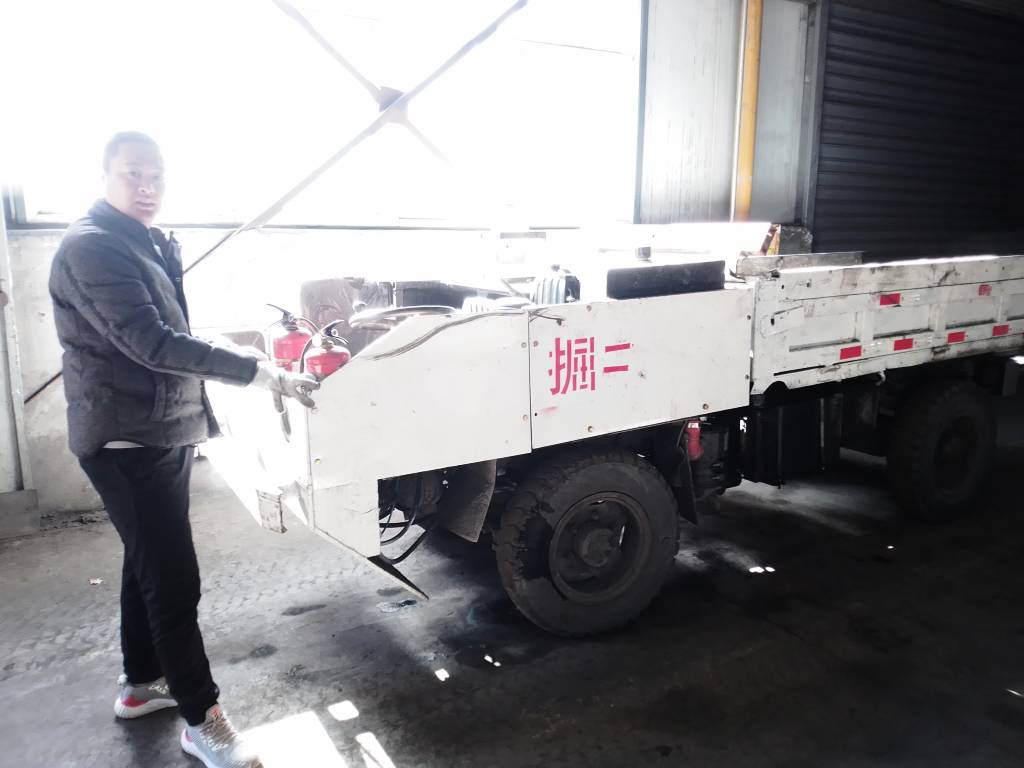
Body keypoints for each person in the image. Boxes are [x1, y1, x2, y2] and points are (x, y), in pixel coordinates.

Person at [49, 131, 316, 768]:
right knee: (172, 581)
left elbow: (168, 331)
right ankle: (203, 722)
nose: (147, 187)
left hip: (159, 429)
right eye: (133, 174)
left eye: (157, 176)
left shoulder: (143, 239)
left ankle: (141, 684)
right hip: (126, 439)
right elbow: (150, 341)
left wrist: (233, 360)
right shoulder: (92, 246)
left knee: (146, 563)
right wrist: (256, 371)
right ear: (105, 175)